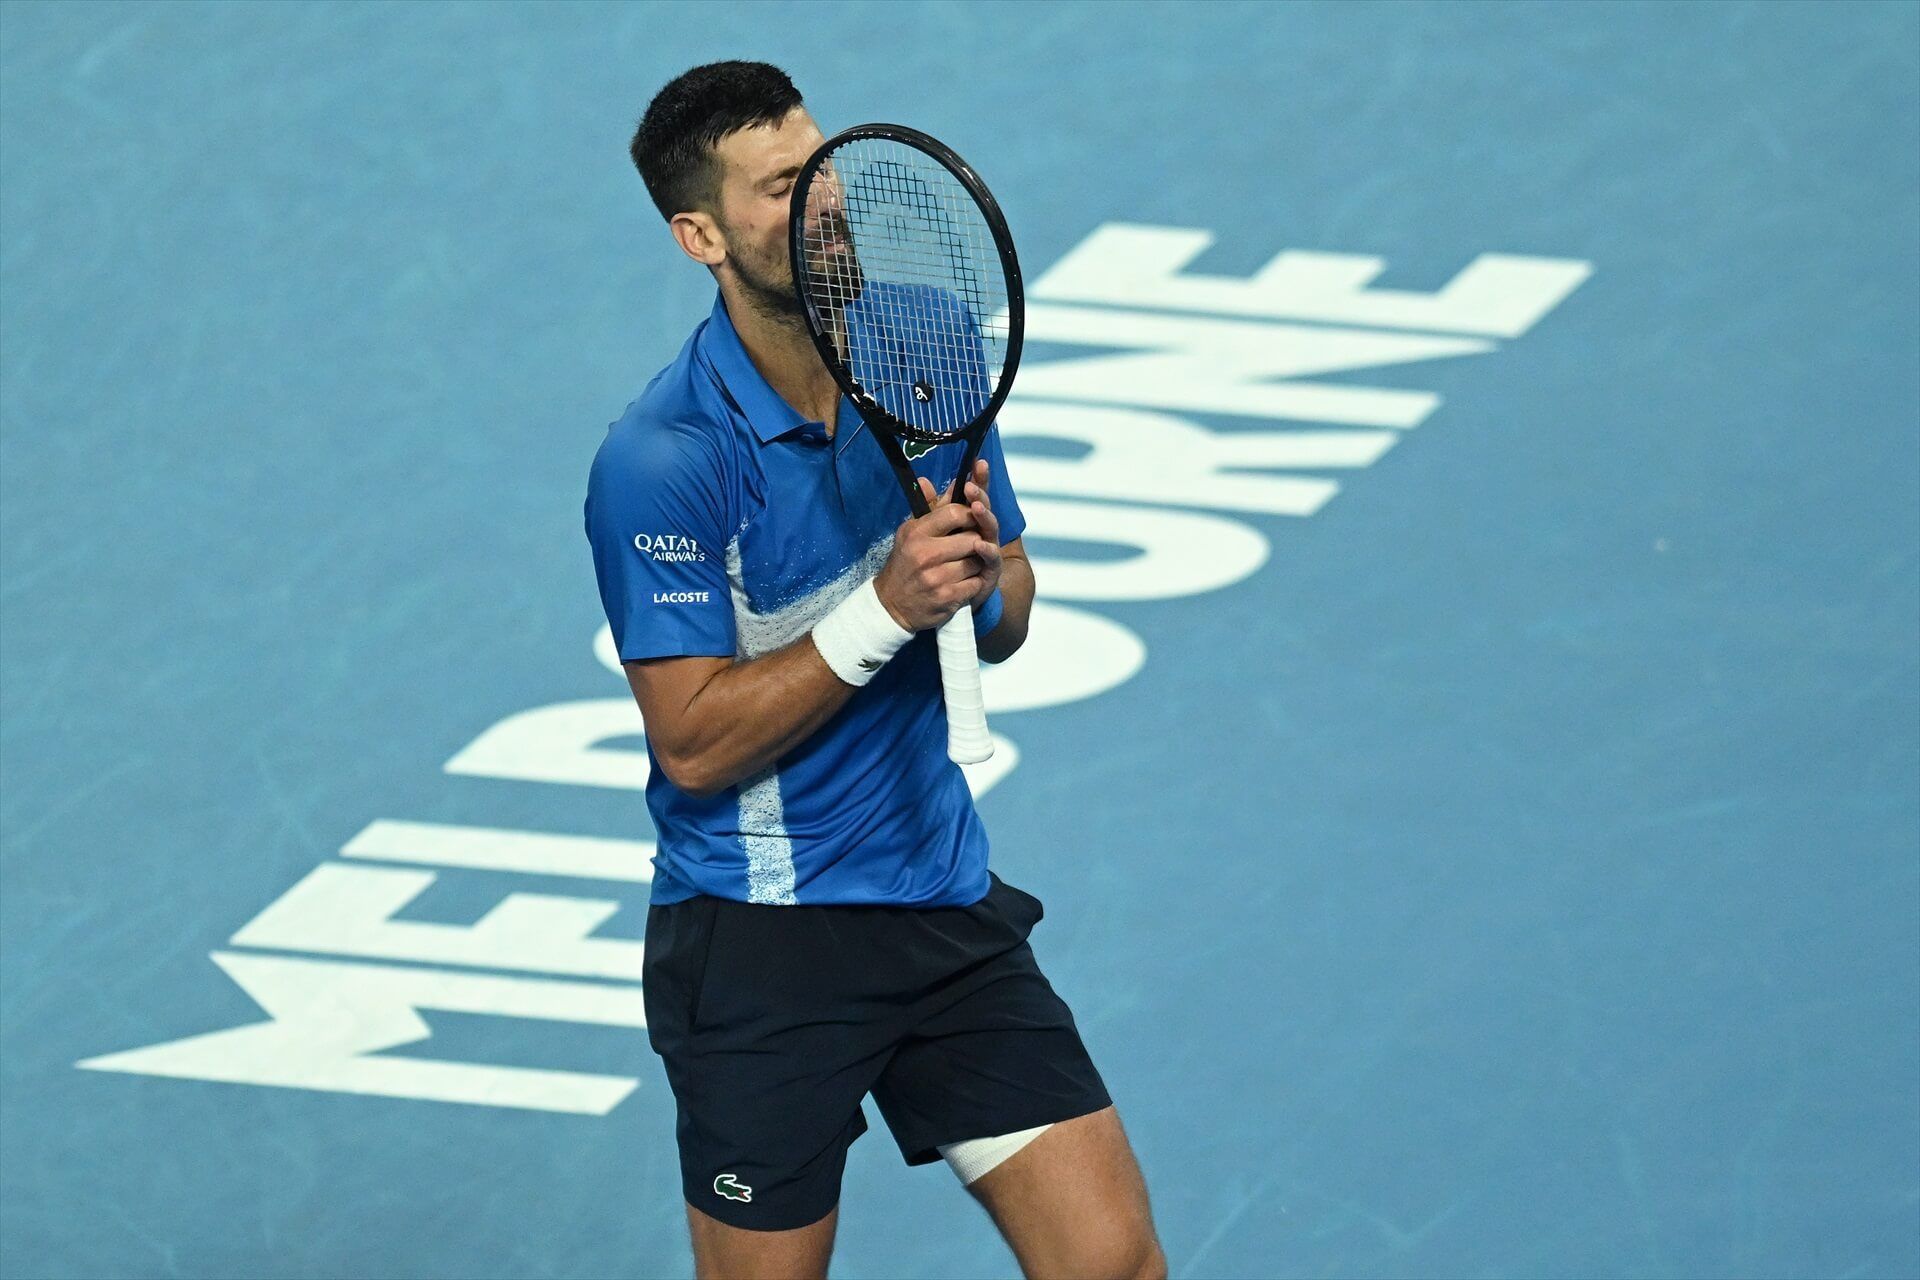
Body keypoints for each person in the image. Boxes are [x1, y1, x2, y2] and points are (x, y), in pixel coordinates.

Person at [584, 60, 1166, 1280]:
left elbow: (1005, 609)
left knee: (1111, 1264)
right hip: (763, 948)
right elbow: (692, 744)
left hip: (939, 896)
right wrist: (886, 608)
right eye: (779, 187)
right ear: (700, 236)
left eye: (823, 165)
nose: (824, 202)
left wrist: (980, 578)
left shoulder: (923, 335)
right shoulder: (664, 458)